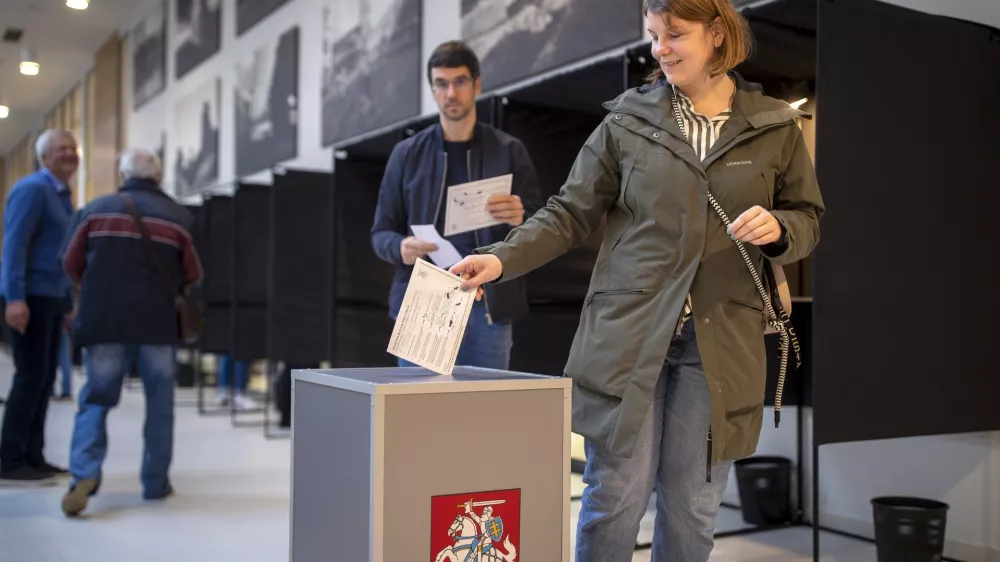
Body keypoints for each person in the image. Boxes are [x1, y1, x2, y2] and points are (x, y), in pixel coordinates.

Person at [448, 1, 825, 559]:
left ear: (717, 33)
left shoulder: (775, 128)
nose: (660, 49)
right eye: (654, 35)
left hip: (723, 337)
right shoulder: (626, 123)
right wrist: (501, 259)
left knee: (694, 504)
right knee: (615, 496)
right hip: (628, 335)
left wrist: (779, 227)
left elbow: (807, 217)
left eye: (675, 34)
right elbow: (568, 212)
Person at [370, 40, 543, 370]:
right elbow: (381, 233)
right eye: (441, 83)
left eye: (460, 82)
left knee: (484, 413)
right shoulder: (407, 155)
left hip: (488, 301)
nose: (451, 93)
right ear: (433, 89)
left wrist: (522, 215)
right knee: (418, 413)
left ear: (476, 85)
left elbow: (543, 226)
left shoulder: (509, 150)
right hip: (425, 301)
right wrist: (400, 246)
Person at [58, 148, 203, 516]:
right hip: (157, 324)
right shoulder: (178, 217)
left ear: (123, 175)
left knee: (96, 399)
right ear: (158, 177)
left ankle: (84, 474)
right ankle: (154, 483)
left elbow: (70, 262)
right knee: (160, 405)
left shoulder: (95, 210)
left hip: (104, 320)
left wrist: (96, 290)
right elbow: (193, 274)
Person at [0, 130, 78, 485]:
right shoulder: (33, 190)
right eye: (61, 149)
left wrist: (67, 303)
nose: (70, 154)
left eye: (73, 148)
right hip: (29, 298)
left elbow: (61, 254)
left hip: (51, 299)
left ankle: (34, 455)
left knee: (44, 380)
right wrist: (14, 298)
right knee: (29, 377)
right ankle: (9, 460)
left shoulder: (63, 196)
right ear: (44, 158)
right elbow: (14, 246)